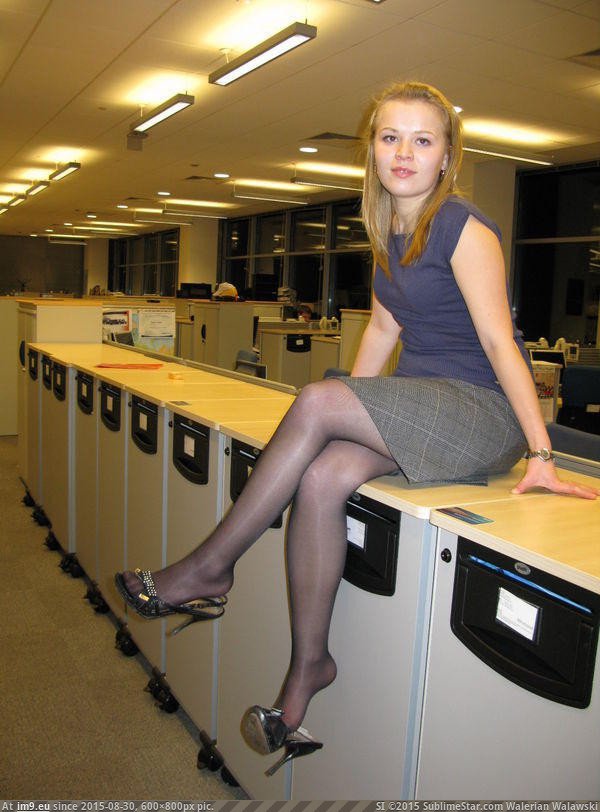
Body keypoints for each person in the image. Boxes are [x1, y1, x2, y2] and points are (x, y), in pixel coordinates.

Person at [116, 80, 597, 776]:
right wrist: (342, 412)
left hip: (480, 411)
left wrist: (542, 454)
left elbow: (500, 344)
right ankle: (308, 669)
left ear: (447, 156)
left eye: (422, 140)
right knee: (322, 475)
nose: (404, 152)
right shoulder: (389, 229)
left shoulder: (464, 227)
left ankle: (209, 567)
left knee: (317, 401)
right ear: (372, 147)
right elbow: (384, 329)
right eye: (390, 136)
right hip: (422, 402)